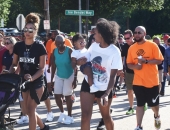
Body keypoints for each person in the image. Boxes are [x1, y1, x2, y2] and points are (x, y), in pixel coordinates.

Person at [78, 20, 122, 130]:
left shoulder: (114, 51)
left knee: (106, 117)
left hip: (104, 88)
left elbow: (113, 76)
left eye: (96, 32)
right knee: (85, 116)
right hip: (88, 83)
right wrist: (80, 61)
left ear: (101, 34)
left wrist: (106, 94)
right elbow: (84, 62)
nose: (94, 34)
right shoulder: (93, 46)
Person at [9, 13, 49, 130]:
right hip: (23, 80)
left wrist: (32, 78)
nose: (27, 32)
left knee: (31, 110)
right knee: (26, 110)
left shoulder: (40, 47)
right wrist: (10, 72)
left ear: (35, 31)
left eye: (30, 30)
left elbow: (42, 68)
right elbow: (15, 64)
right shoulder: (18, 46)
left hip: (36, 81)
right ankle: (43, 127)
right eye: (26, 29)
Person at [127, 26, 163, 130]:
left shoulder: (152, 45)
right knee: (140, 104)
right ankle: (139, 126)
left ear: (144, 33)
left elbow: (159, 60)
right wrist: (136, 67)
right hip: (138, 81)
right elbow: (129, 64)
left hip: (152, 81)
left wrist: (146, 61)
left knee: (153, 105)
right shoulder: (132, 48)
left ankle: (157, 115)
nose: (137, 34)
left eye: (139, 32)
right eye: (135, 32)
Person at [51, 35, 77, 125]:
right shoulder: (54, 51)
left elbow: (75, 65)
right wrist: (51, 80)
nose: (58, 45)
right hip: (59, 75)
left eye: (60, 43)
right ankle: (63, 112)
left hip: (69, 75)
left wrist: (75, 78)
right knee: (57, 95)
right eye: (56, 43)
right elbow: (53, 66)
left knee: (67, 95)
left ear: (64, 43)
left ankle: (70, 116)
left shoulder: (69, 50)